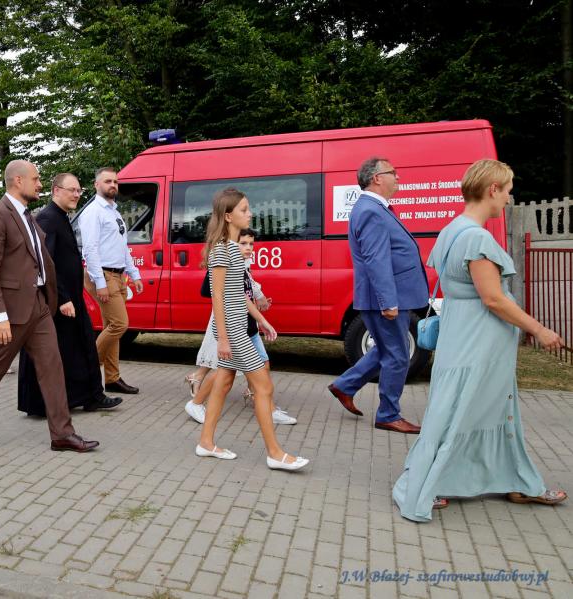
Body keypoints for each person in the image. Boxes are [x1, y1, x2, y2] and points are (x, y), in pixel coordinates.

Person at [393, 159, 567, 521]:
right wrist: (539, 329)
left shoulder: (452, 229)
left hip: (463, 336)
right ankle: (433, 482)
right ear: (492, 189)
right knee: (464, 410)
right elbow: (493, 299)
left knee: (480, 409)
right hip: (478, 341)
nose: (508, 198)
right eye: (507, 190)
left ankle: (516, 479)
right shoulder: (476, 238)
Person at [0, 160, 98, 453]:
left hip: (40, 306)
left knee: (53, 367)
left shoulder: (28, 216)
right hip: (11, 312)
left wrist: (53, 298)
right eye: (36, 179)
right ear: (18, 181)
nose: (40, 184)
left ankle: (62, 433)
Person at [196, 188, 308, 471]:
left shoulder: (234, 249)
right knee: (263, 386)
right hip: (232, 331)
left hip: (239, 327)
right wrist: (223, 338)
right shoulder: (221, 250)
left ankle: (206, 442)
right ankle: (275, 453)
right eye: (244, 210)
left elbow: (240, 294)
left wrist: (262, 320)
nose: (250, 214)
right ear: (228, 216)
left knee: (223, 383)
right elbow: (218, 296)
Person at [327, 157, 428, 434]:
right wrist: (388, 302)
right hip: (387, 299)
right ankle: (388, 414)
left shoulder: (374, 208)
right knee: (397, 356)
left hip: (389, 296)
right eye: (393, 172)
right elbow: (377, 261)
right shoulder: (371, 211)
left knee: (386, 349)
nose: (398, 177)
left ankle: (345, 386)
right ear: (377, 178)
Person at [17, 173, 123, 416]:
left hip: (71, 297)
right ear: (56, 191)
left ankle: (91, 397)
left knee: (81, 347)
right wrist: (63, 298)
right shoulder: (47, 219)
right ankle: (44, 403)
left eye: (78, 190)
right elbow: (46, 262)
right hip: (59, 301)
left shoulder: (60, 216)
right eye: (71, 190)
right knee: (63, 351)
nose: (76, 195)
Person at [184, 229, 296, 426]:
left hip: (247, 326)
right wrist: (225, 334)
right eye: (243, 243)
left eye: (251, 244)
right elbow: (214, 292)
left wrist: (261, 320)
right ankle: (198, 404)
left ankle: (265, 408)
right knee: (228, 372)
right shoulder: (226, 263)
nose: (248, 248)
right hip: (234, 326)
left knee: (253, 367)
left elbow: (246, 296)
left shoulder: (243, 264)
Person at [80, 167, 143, 394]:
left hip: (118, 275)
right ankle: (85, 371)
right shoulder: (93, 212)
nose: (113, 185)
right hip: (103, 275)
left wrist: (134, 274)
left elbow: (122, 247)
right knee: (119, 324)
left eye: (115, 181)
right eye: (107, 181)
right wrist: (100, 283)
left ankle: (112, 379)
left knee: (111, 327)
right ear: (96, 185)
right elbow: (90, 250)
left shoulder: (114, 212)